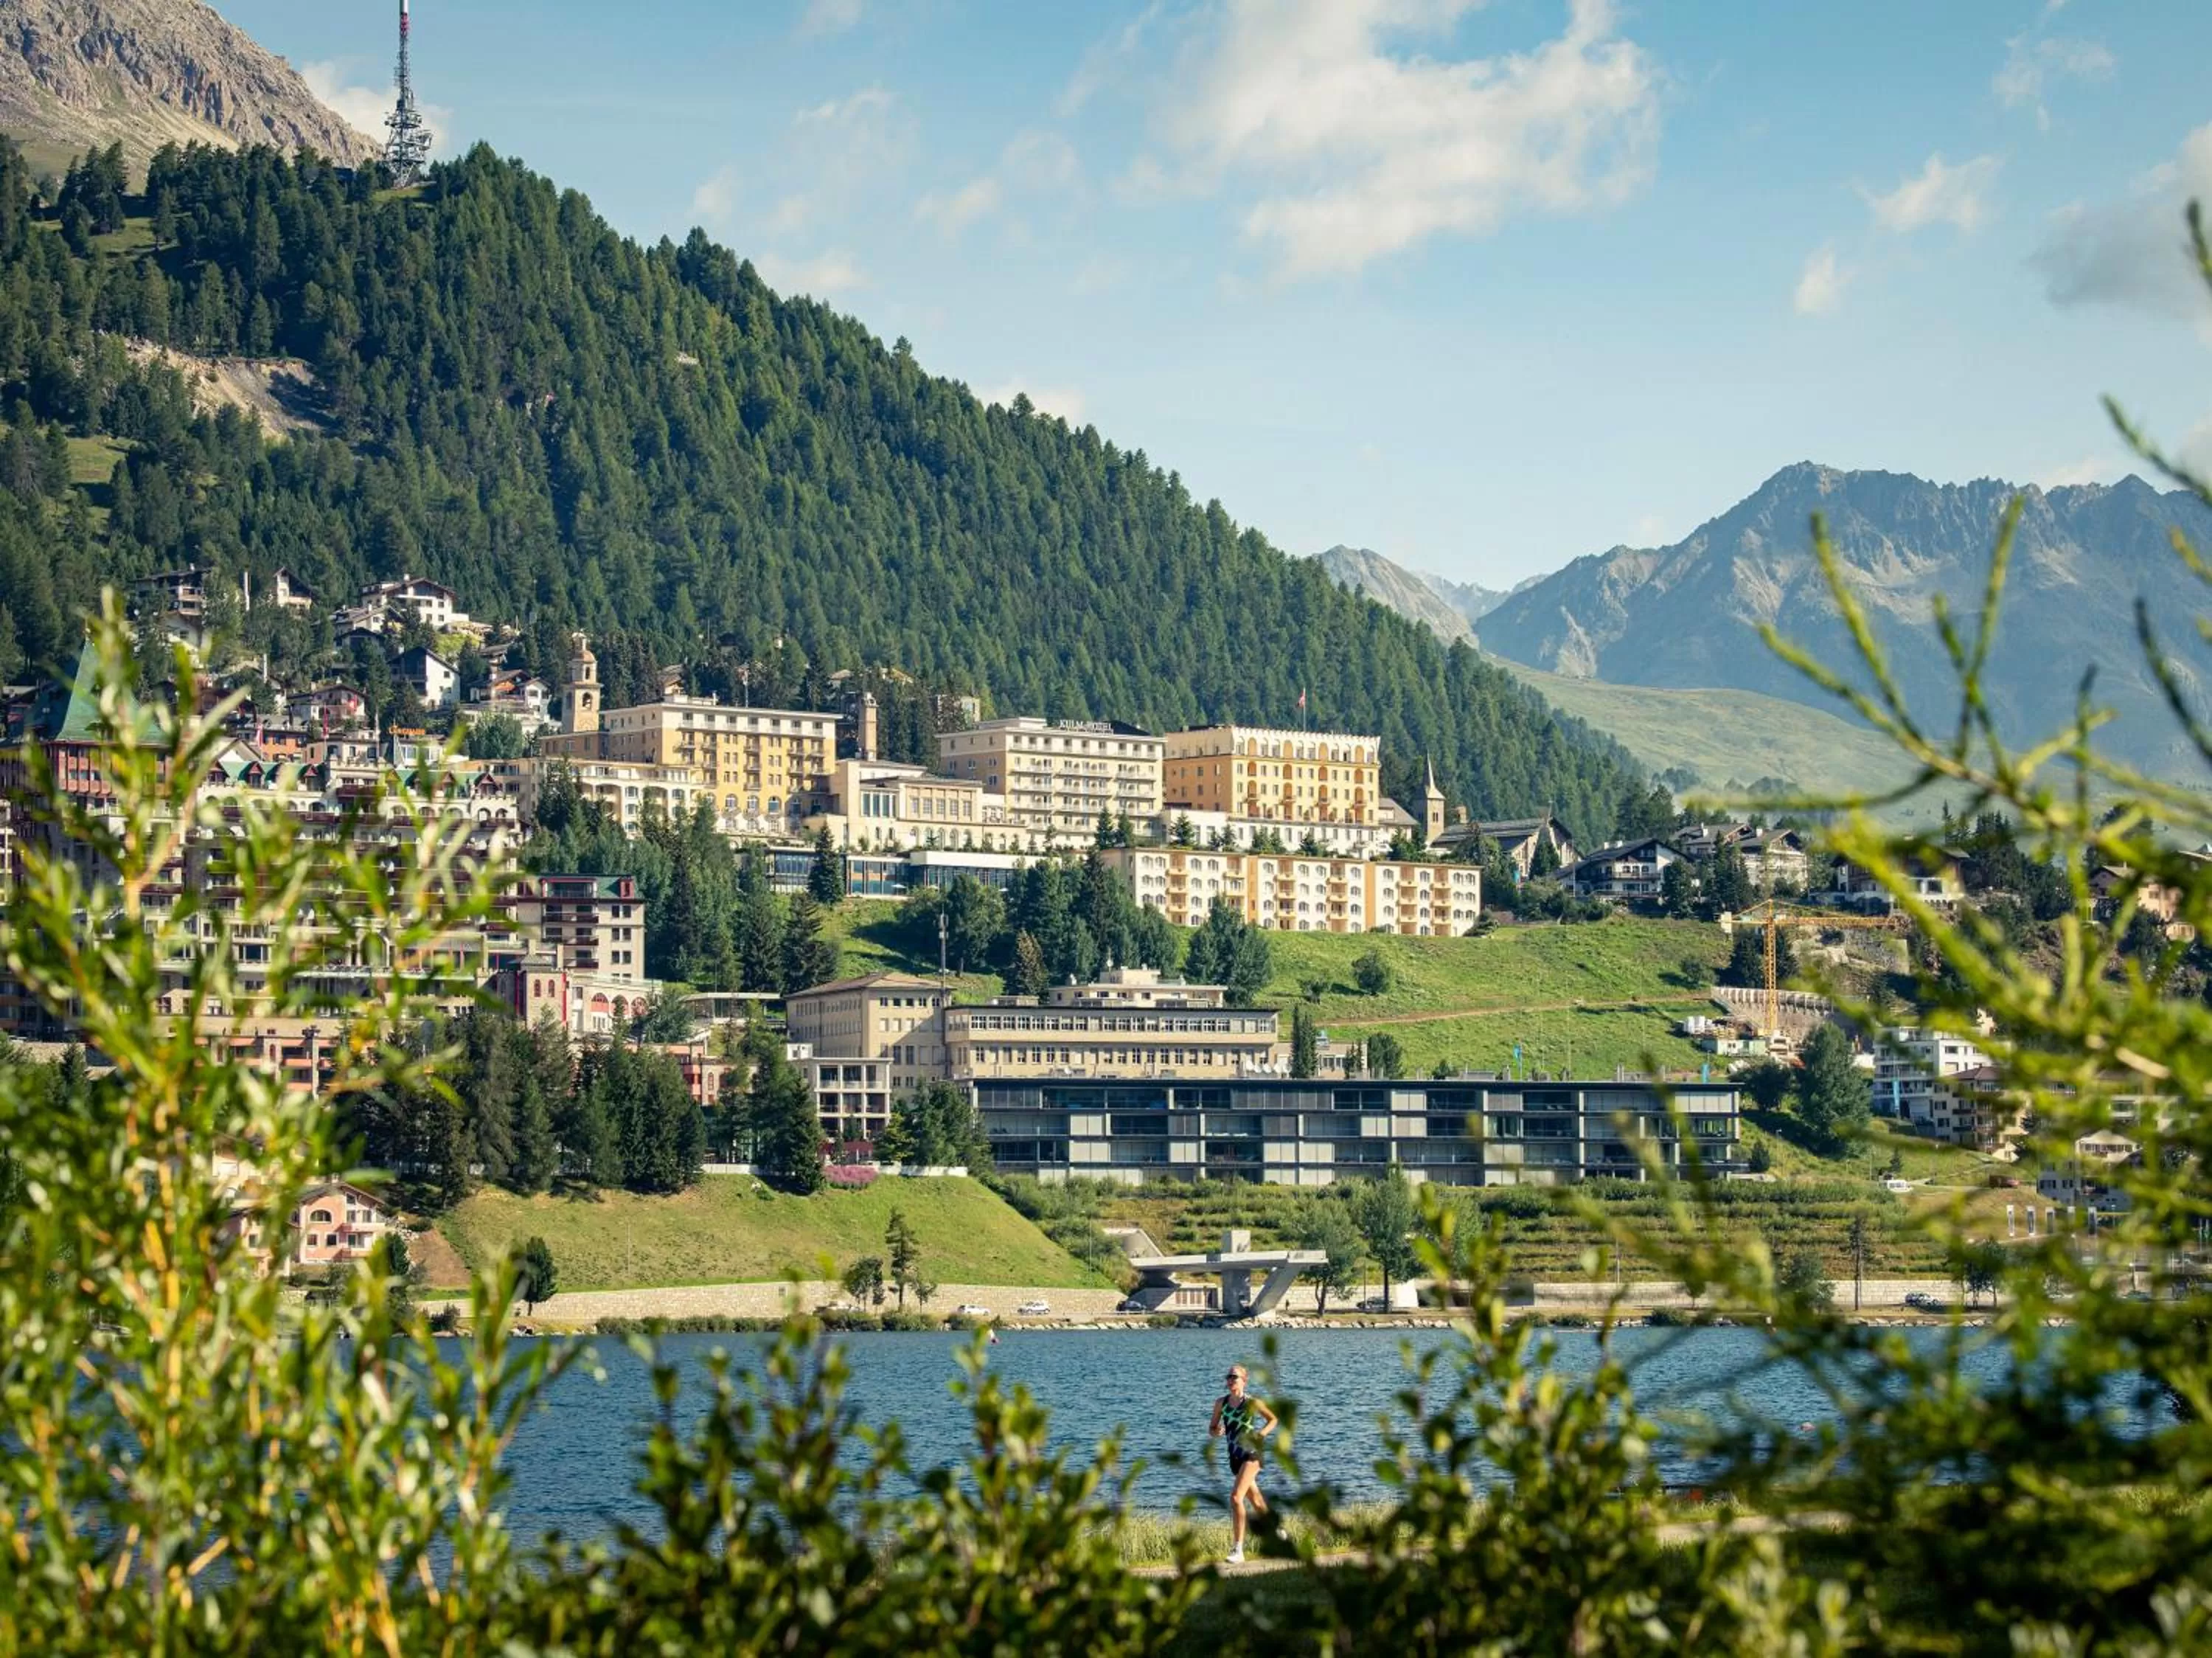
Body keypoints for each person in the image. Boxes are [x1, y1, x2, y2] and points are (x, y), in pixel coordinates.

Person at [1208, 1363, 1277, 1564]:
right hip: (1234, 1457)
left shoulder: (1252, 1402)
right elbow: (1212, 1428)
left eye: (1234, 1377)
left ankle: (1238, 1549)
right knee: (1255, 1499)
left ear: (1244, 1381)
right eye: (1228, 1377)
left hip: (1252, 1454)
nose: (1230, 1380)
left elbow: (1273, 1420)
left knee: (1236, 1497)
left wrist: (1261, 1434)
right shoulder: (1221, 1403)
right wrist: (1217, 1431)